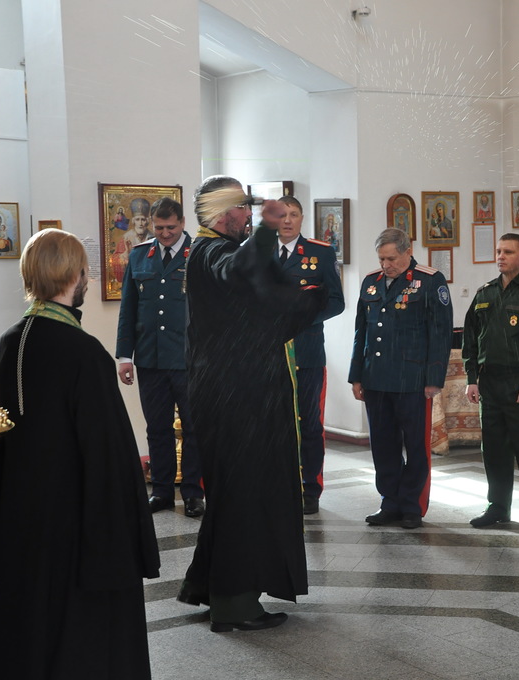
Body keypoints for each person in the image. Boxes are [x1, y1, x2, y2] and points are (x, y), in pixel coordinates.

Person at [0, 229, 160, 679]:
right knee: (81, 635)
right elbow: (109, 455)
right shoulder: (83, 352)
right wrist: (127, 539)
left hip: (20, 520)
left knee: (28, 627)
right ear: (75, 275)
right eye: (86, 272)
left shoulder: (5, 344)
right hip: (75, 527)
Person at [176, 176, 327, 632]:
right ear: (224, 213)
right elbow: (238, 269)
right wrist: (266, 229)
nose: (248, 216)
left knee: (233, 493)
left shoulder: (208, 252)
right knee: (243, 493)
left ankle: (212, 589)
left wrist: (307, 304)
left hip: (236, 389)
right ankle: (236, 604)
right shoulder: (212, 253)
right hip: (235, 394)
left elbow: (254, 315)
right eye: (244, 209)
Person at [350, 228, 453, 529]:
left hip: (413, 380)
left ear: (408, 252)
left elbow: (440, 332)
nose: (386, 265)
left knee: (416, 446)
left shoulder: (430, 280)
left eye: (392, 259)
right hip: (376, 378)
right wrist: (357, 376)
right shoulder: (371, 282)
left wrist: (434, 378)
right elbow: (361, 331)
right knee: (383, 446)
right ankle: (390, 502)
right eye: (381, 259)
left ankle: (412, 505)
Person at [116, 197, 205, 518]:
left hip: (189, 360)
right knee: (157, 428)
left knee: (194, 428)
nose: (165, 234)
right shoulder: (140, 255)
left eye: (171, 227)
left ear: (182, 223)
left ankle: (193, 492)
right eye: (159, 228)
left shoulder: (199, 254)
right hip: (150, 359)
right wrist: (124, 356)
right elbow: (128, 308)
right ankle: (163, 492)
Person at [463, 233, 519, 535]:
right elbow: (470, 339)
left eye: (508, 252)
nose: (500, 256)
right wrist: (472, 379)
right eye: (498, 251)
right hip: (490, 383)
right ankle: (498, 508)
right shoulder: (485, 292)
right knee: (494, 451)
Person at [272, 195, 345, 514]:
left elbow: (336, 302)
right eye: (282, 215)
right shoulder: (256, 252)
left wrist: (303, 319)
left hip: (307, 353)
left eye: (293, 214)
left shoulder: (320, 252)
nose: (287, 220)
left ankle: (309, 488)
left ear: (302, 218)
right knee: (274, 423)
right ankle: (279, 485)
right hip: (268, 354)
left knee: (309, 422)